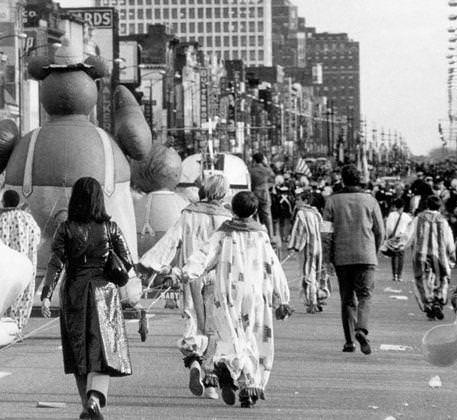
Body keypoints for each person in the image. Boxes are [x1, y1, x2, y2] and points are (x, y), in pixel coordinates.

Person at [178, 190, 292, 408]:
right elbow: (273, 266)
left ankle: (229, 369)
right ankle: (249, 387)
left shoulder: (225, 232)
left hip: (227, 293)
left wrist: (188, 272)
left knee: (230, 336)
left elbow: (205, 254)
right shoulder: (261, 235)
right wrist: (282, 298)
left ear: (232, 209)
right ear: (255, 211)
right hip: (256, 295)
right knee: (255, 339)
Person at [40, 177, 133, 420]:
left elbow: (55, 262)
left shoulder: (66, 228)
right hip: (105, 293)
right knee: (104, 352)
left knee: (78, 352)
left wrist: (47, 295)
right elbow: (128, 262)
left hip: (74, 293)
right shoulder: (110, 228)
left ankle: (86, 405)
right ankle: (94, 399)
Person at [138, 174, 232, 400]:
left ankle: (194, 363)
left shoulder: (188, 213)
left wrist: (151, 264)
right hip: (217, 279)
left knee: (193, 321)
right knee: (215, 327)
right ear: (223, 193)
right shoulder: (227, 219)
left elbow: (170, 241)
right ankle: (211, 383)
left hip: (190, 277)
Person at [323, 164, 384, 355]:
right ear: (360, 179)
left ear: (342, 180)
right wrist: (374, 250)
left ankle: (349, 341)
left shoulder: (332, 201)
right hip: (366, 255)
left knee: (347, 299)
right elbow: (380, 231)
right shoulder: (370, 201)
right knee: (365, 295)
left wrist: (327, 258)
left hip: (342, 257)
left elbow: (326, 234)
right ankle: (361, 329)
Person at [0, 189, 41, 332]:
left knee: (3, 294)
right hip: (25, 265)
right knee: (23, 293)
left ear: (4, 202)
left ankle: (4, 327)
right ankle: (17, 326)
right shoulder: (27, 219)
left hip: (4, 267)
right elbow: (36, 238)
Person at [408, 195, 455, 320]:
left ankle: (428, 303)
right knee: (442, 277)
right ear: (439, 206)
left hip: (420, 254)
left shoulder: (418, 219)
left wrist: (396, 246)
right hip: (439, 254)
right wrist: (451, 254)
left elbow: (409, 235)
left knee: (422, 279)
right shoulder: (443, 221)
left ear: (427, 205)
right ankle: (438, 301)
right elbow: (449, 239)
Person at [287, 190, 328, 313]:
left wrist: (294, 247)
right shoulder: (316, 213)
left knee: (307, 272)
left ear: (305, 201)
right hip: (318, 246)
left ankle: (312, 302)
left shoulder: (301, 213)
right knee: (316, 272)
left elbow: (299, 233)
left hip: (307, 248)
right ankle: (318, 297)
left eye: (298, 199)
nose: (296, 202)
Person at [382, 197, 414, 282]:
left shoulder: (392, 215)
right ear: (403, 206)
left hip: (394, 237)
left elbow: (388, 227)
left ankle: (394, 275)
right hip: (402, 237)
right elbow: (410, 227)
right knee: (401, 255)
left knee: (394, 256)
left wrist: (388, 236)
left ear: (395, 206)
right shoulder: (406, 216)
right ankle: (400, 275)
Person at [248, 153, 275, 241]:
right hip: (264, 194)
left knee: (253, 215)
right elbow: (273, 180)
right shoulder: (267, 170)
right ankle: (269, 237)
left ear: (254, 160)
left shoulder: (250, 170)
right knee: (267, 216)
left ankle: (255, 235)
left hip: (254, 194)